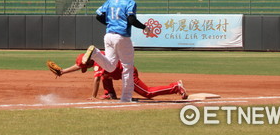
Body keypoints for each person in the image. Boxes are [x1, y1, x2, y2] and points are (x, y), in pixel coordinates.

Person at [82, 0, 152, 102]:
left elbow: (98, 15)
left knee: (110, 66)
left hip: (108, 35)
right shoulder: (130, 2)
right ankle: (125, 98)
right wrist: (145, 28)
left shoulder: (110, 0)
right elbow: (131, 20)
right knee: (127, 67)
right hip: (122, 36)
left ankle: (95, 54)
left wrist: (110, 22)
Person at [54, 52, 188, 100]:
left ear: (89, 62)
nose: (84, 68)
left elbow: (96, 79)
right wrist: (62, 72)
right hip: (119, 72)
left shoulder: (99, 62)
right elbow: (79, 65)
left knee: (147, 93)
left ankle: (175, 87)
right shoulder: (92, 57)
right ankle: (110, 93)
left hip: (127, 73)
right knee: (106, 75)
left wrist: (93, 97)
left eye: (86, 66)